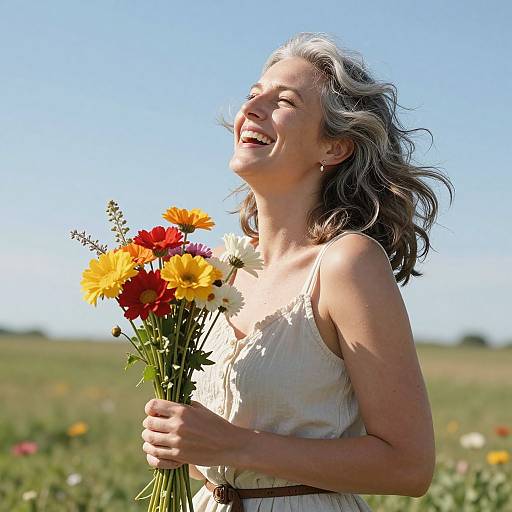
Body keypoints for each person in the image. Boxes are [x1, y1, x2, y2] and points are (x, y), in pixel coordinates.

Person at [141, 31, 454, 511]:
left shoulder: (347, 265)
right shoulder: (213, 273)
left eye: (283, 100)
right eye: (252, 95)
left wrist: (234, 445)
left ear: (333, 149)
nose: (252, 108)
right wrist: (180, 441)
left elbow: (409, 466)